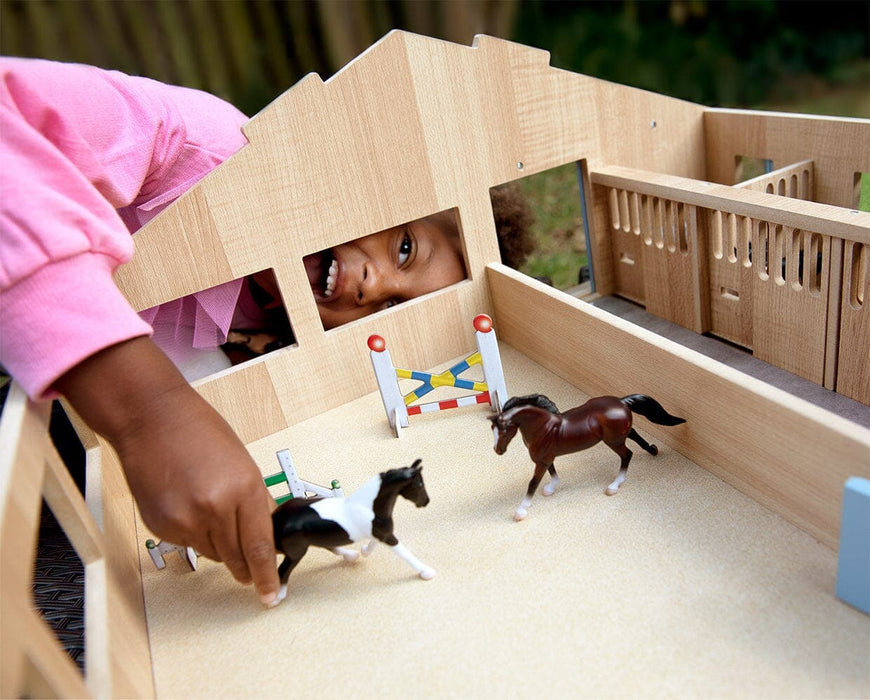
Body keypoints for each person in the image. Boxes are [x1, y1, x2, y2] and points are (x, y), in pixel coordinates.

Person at [0, 57, 534, 606]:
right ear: (377, 176)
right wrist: (148, 413)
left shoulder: (272, 332)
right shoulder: (200, 145)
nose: (372, 289)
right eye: (405, 247)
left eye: (390, 310)